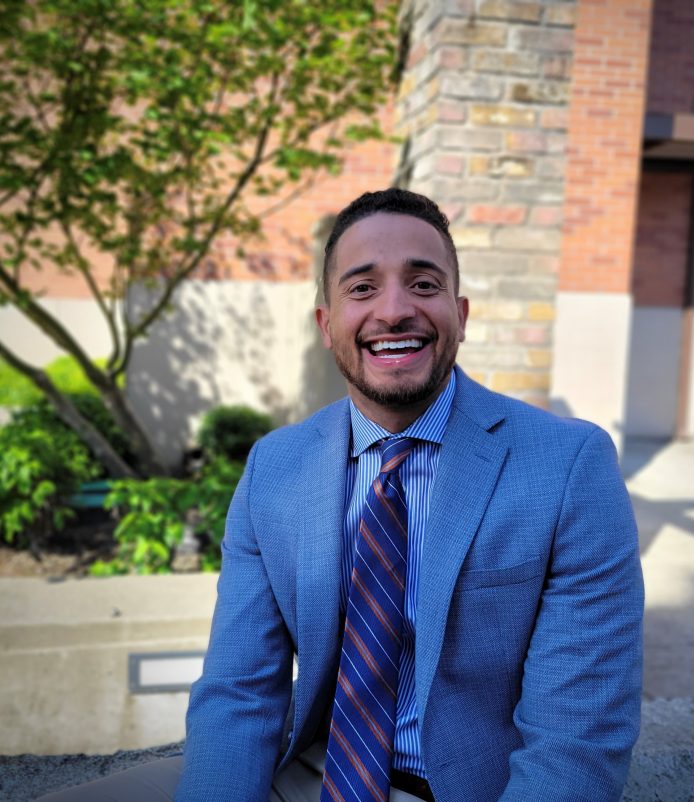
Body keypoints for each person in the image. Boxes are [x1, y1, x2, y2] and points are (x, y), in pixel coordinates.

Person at [38, 188, 643, 802]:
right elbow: (239, 691)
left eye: (424, 284)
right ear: (327, 326)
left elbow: (576, 740)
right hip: (306, 774)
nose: (394, 311)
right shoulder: (275, 467)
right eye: (362, 288)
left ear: (460, 315)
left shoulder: (568, 465)